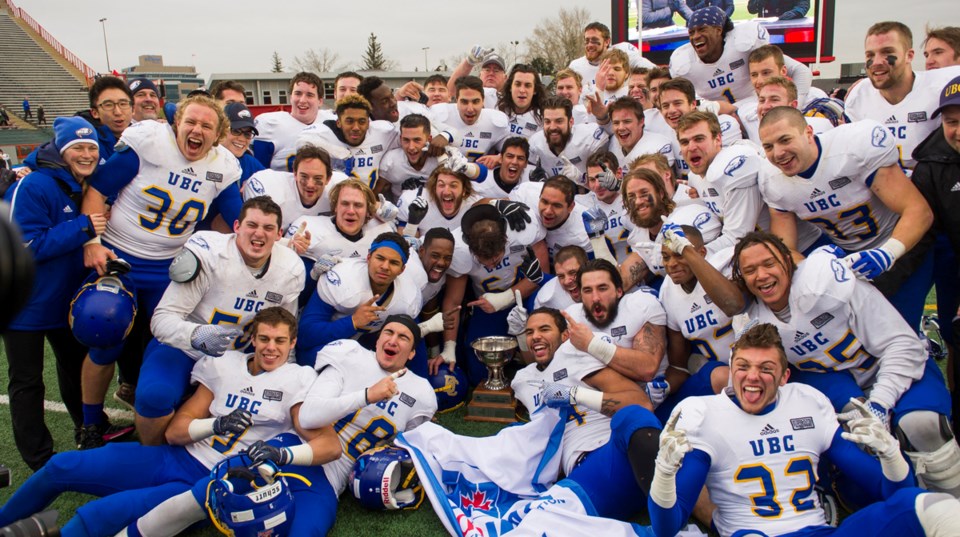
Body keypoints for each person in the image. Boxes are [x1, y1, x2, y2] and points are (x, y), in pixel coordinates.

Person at [0, 307, 341, 537]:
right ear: (253, 338)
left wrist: (281, 455)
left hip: (208, 481)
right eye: (264, 338)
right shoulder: (226, 365)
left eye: (280, 341)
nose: (271, 348)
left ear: (292, 343)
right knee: (62, 466)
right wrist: (215, 425)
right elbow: (177, 431)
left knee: (104, 513)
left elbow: (328, 445)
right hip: (176, 457)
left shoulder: (297, 379)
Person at [648, 322, 960, 537]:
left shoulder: (807, 402)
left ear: (784, 377)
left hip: (818, 530)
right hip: (753, 532)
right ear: (732, 371)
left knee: (933, 507)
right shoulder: (703, 413)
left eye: (765, 369)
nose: (752, 377)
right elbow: (666, 527)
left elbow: (894, 494)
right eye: (742, 367)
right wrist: (664, 473)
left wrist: (891, 456)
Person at [723, 231, 960, 496]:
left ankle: (954, 504)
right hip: (841, 381)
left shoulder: (827, 283)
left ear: (787, 262)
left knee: (922, 425)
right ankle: (894, 498)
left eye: (769, 264)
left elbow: (902, 345)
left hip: (896, 366)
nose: (762, 275)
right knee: (856, 429)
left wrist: (881, 401)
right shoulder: (754, 322)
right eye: (750, 270)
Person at [78, 94, 243, 447]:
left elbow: (235, 218)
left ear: (218, 134)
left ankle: (163, 408)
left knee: (172, 341)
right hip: (120, 257)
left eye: (206, 126)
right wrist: (92, 241)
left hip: (172, 268)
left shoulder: (223, 165)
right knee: (103, 331)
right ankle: (90, 423)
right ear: (177, 124)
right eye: (191, 122)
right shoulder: (149, 143)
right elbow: (97, 191)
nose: (197, 130)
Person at [134, 196, 306, 445]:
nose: (259, 234)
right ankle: (153, 453)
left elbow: (285, 326)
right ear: (236, 226)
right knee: (154, 395)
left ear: (279, 234)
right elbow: (161, 319)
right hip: (186, 349)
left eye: (268, 228)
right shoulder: (210, 255)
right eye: (252, 225)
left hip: (240, 357)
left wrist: (285, 367)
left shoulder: (289, 269)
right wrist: (195, 335)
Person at [757, 106, 934, 327]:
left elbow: (919, 211)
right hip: (848, 254)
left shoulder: (851, 149)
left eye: (785, 140)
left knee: (898, 330)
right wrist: (817, 267)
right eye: (768, 146)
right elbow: (785, 247)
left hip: (902, 244)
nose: (778, 153)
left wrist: (888, 253)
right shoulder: (772, 179)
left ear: (808, 133)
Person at [1, 118, 104, 469]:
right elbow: (25, 244)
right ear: (61, 151)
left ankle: (86, 428)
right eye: (78, 148)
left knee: (75, 368)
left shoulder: (86, 184)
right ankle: (38, 457)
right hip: (24, 302)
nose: (87, 154)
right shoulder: (36, 185)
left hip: (65, 301)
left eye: (92, 147)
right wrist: (82, 227)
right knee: (27, 381)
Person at [513, 307, 661, 522]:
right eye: (529, 332)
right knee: (537, 519)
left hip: (615, 450)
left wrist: (575, 394)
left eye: (544, 329)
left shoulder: (574, 357)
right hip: (584, 471)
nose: (535, 336)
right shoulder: (522, 380)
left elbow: (641, 405)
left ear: (565, 336)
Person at [294, 315, 437, 531]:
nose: (393, 340)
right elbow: (308, 416)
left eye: (403, 337)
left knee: (306, 529)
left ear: (412, 353)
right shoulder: (350, 354)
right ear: (378, 340)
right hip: (297, 447)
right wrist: (368, 395)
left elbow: (410, 450)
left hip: (331, 478)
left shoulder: (421, 393)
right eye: (388, 333)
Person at [845, 22, 960, 171]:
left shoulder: (942, 84)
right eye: (870, 55)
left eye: (887, 52)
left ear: (909, 55)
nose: (877, 62)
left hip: (933, 185)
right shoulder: (858, 96)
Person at [912, 75, 960, 433]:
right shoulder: (932, 164)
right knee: (954, 334)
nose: (957, 130)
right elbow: (927, 233)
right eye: (951, 121)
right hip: (953, 263)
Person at [296, 233, 422, 368]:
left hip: (366, 348)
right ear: (368, 257)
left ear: (402, 269)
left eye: (394, 262)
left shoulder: (409, 297)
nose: (385, 266)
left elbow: (411, 345)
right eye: (380, 258)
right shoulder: (343, 277)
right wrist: (352, 322)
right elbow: (304, 337)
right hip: (320, 348)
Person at [656, 225, 737, 420]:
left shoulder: (723, 266)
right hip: (715, 374)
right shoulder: (668, 291)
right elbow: (679, 365)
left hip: (750, 366)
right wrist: (663, 388)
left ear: (701, 253)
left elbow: (734, 304)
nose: (672, 264)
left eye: (680, 254)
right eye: (666, 257)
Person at [669, 7, 812, 109]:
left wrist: (795, 107)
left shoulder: (743, 45)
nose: (695, 36)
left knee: (814, 96)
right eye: (691, 32)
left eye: (702, 29)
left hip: (758, 106)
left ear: (719, 30)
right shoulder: (684, 63)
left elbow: (801, 71)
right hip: (720, 117)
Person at [563, 259, 668, 385]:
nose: (595, 298)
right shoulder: (572, 317)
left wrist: (591, 344)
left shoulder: (640, 305)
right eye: (587, 290)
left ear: (619, 291)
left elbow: (647, 368)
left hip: (658, 395)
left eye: (602, 288)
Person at [677, 111, 766, 255]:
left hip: (792, 247)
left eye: (699, 139)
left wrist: (688, 254)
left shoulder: (733, 169)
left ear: (717, 139)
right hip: (756, 252)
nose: (691, 147)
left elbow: (737, 238)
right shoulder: (694, 176)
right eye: (685, 142)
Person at [297, 94, 399, 194]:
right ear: (338, 123)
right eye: (349, 121)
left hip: (366, 201)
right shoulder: (323, 133)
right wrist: (339, 153)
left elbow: (406, 140)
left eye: (362, 121)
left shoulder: (382, 133)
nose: (356, 127)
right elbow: (301, 141)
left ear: (368, 123)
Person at [251, 72, 326, 171]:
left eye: (310, 95)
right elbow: (258, 172)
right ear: (291, 97)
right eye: (298, 93)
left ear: (320, 101)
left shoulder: (329, 122)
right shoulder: (270, 124)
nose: (302, 100)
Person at [527, 96, 609, 185]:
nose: (552, 127)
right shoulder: (535, 143)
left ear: (571, 122)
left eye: (559, 121)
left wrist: (582, 179)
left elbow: (606, 183)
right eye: (547, 121)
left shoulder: (589, 137)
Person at [428, 76, 510, 164]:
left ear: (483, 101)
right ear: (456, 100)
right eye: (464, 102)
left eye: (475, 102)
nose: (470, 109)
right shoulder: (439, 114)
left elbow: (512, 151)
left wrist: (499, 157)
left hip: (479, 175)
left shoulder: (495, 121)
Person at [606, 97, 675, 174]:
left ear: (641, 121)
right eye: (616, 123)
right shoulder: (612, 143)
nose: (621, 128)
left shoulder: (659, 146)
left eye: (627, 121)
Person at [378, 114, 440, 199]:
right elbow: (374, 196)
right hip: (400, 211)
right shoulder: (391, 161)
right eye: (406, 140)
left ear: (428, 139)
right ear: (400, 139)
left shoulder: (440, 160)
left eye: (417, 140)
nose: (411, 147)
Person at [497, 64, 546, 139]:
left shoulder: (543, 118)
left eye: (527, 85)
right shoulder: (496, 106)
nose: (522, 90)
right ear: (510, 87)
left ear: (535, 90)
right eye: (518, 84)